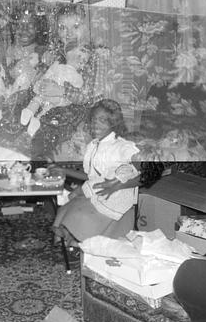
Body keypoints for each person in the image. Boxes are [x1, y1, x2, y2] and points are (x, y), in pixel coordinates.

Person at [53, 99, 148, 245]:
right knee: (65, 207)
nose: (96, 124)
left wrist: (118, 184)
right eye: (93, 120)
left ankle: (76, 239)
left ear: (114, 122)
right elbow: (92, 176)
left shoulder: (122, 146)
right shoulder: (94, 145)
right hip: (98, 190)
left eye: (102, 120)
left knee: (79, 213)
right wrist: (64, 171)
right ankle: (69, 238)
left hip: (115, 197)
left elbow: (140, 169)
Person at [20, 45, 92, 136]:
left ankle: (37, 120)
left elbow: (77, 91)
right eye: (79, 56)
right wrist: (41, 83)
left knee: (48, 108)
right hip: (47, 90)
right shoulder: (57, 66)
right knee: (38, 98)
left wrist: (63, 93)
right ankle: (29, 111)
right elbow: (47, 75)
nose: (80, 60)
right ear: (69, 54)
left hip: (59, 98)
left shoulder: (78, 77)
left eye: (84, 60)